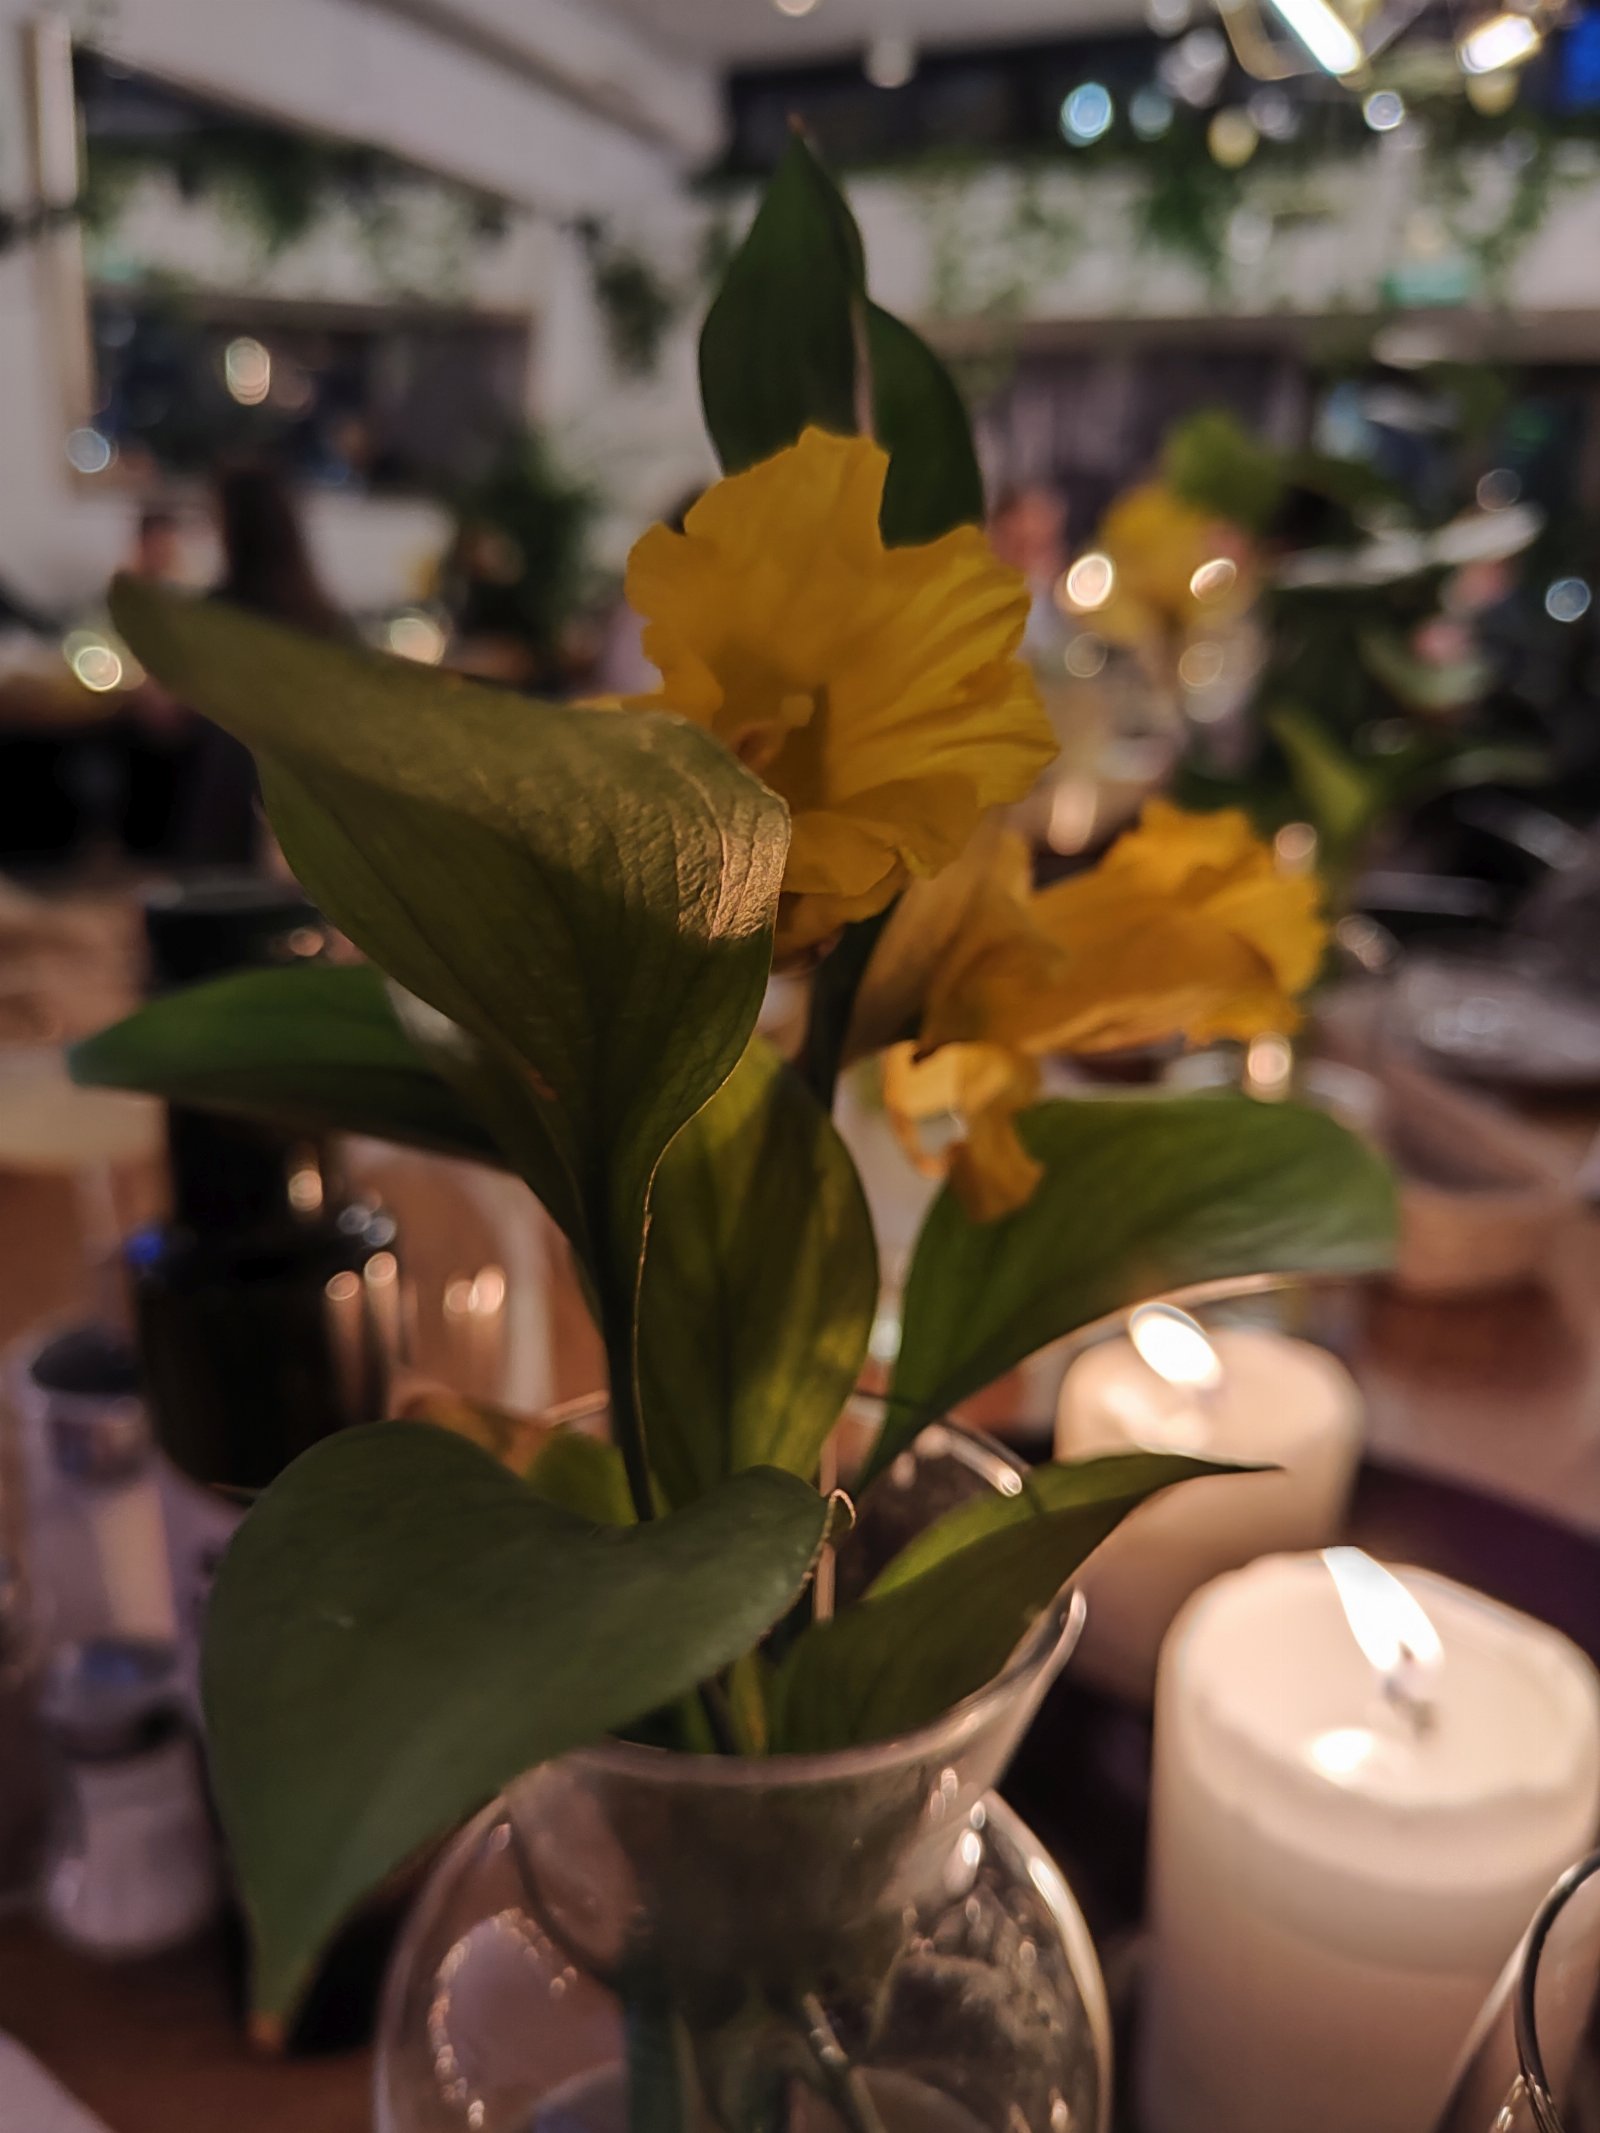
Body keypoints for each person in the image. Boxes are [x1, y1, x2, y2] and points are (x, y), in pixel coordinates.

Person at [177, 465, 346, 865]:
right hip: (317, 803)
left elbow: (177, 707)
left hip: (234, 805)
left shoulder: (219, 615)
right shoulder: (321, 616)